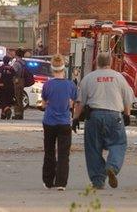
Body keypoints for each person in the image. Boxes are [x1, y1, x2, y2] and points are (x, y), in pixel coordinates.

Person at [73, 53, 134, 190]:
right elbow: (127, 98)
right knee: (118, 143)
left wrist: (75, 118)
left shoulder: (89, 78)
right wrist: (127, 114)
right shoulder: (119, 77)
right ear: (110, 62)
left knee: (93, 148)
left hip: (94, 115)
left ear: (96, 62)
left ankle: (98, 181)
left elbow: (80, 102)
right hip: (114, 116)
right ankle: (112, 166)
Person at [41, 54, 77, 191]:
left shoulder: (47, 85)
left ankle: (48, 181)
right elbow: (72, 102)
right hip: (64, 122)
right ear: (64, 68)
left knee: (49, 151)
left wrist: (48, 103)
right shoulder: (70, 85)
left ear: (52, 68)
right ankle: (61, 182)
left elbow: (44, 104)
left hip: (49, 121)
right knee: (63, 153)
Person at [12, 48, 27, 120]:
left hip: (17, 81)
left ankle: (17, 114)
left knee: (17, 97)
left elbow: (13, 72)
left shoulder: (16, 63)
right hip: (22, 81)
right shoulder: (24, 63)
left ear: (16, 54)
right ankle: (21, 113)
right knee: (20, 97)